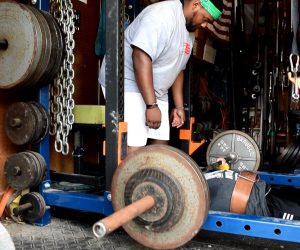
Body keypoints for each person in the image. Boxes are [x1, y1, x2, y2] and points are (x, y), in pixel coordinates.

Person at [99, 0, 223, 154]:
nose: (204, 26)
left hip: (157, 90)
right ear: (196, 5)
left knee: (161, 145)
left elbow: (178, 69)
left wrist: (178, 107)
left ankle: (149, 177)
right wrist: (152, 105)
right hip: (127, 81)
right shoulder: (162, 15)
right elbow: (140, 56)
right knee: (135, 145)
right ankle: (128, 177)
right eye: (205, 19)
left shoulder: (189, 31)